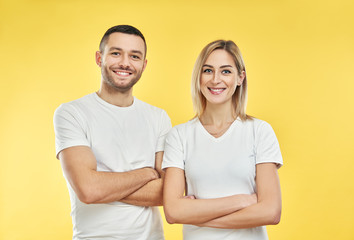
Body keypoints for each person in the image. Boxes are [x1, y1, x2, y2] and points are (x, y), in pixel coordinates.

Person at [53, 25, 171, 240]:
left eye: (134, 56)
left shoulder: (158, 117)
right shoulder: (72, 113)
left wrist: (104, 185)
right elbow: (89, 190)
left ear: (144, 65)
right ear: (99, 58)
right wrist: (148, 173)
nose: (125, 63)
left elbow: (168, 193)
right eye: (116, 53)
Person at [162, 40, 283, 240]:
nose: (215, 79)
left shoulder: (259, 131)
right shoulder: (179, 136)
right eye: (208, 70)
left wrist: (195, 214)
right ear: (198, 77)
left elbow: (271, 212)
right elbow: (173, 212)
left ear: (240, 77)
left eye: (225, 71)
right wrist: (241, 200)